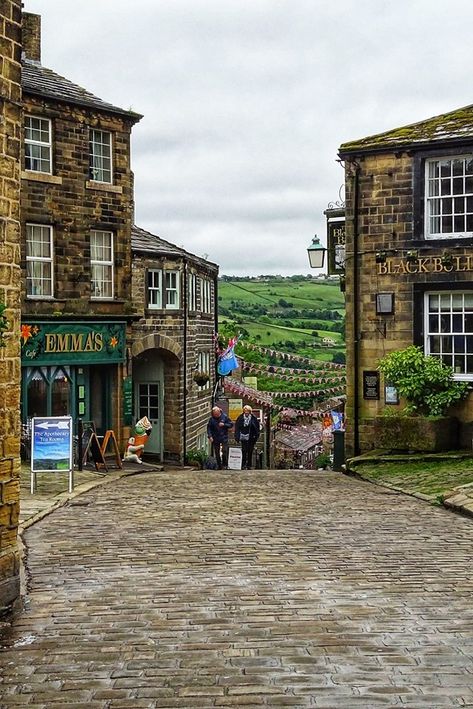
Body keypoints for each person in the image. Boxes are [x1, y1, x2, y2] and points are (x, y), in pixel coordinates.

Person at [235, 405, 260, 470]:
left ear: (250, 412)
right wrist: (237, 436)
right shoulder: (240, 418)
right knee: (244, 450)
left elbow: (257, 427)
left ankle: (249, 465)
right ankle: (243, 465)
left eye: (247, 412)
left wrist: (256, 436)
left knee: (250, 451)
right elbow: (237, 427)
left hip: (251, 437)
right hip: (243, 435)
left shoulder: (253, 418)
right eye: (245, 412)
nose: (246, 413)